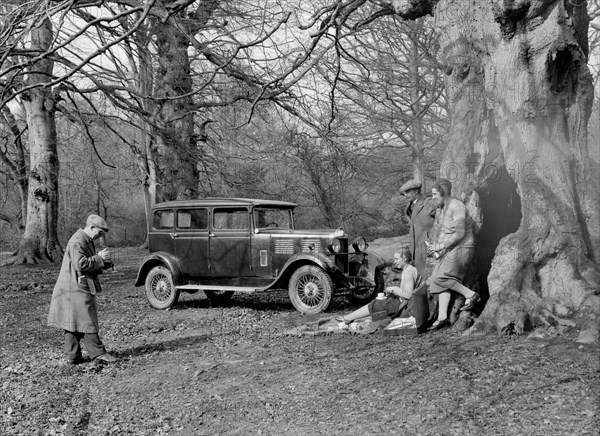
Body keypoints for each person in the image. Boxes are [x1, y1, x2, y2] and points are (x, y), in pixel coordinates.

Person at [47, 214, 119, 365]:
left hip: (75, 286)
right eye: (99, 232)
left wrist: (104, 263)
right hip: (73, 289)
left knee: (71, 322)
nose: (100, 236)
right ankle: (98, 353)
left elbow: (86, 263)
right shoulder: (77, 241)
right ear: (91, 227)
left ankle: (73, 356)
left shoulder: (86, 239)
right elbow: (81, 264)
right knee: (87, 319)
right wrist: (99, 258)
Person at [426, 179, 481, 330]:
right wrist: (438, 250)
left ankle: (470, 295)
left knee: (441, 278)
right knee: (436, 280)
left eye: (435, 194)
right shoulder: (445, 207)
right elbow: (447, 233)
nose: (433, 197)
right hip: (452, 249)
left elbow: (459, 233)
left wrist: (439, 246)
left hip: (463, 247)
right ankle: (442, 317)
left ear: (443, 193)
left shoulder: (457, 206)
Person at [337, 249, 421, 327]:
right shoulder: (409, 269)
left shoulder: (409, 272)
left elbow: (408, 294)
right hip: (401, 302)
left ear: (405, 259)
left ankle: (347, 318)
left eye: (397, 259)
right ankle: (351, 318)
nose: (394, 262)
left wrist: (394, 289)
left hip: (401, 305)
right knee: (378, 302)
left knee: (376, 304)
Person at [399, 179, 437, 277]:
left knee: (431, 279)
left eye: (408, 192)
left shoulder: (428, 203)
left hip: (429, 250)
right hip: (416, 251)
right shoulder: (409, 207)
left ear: (416, 191)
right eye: (404, 193)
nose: (405, 195)